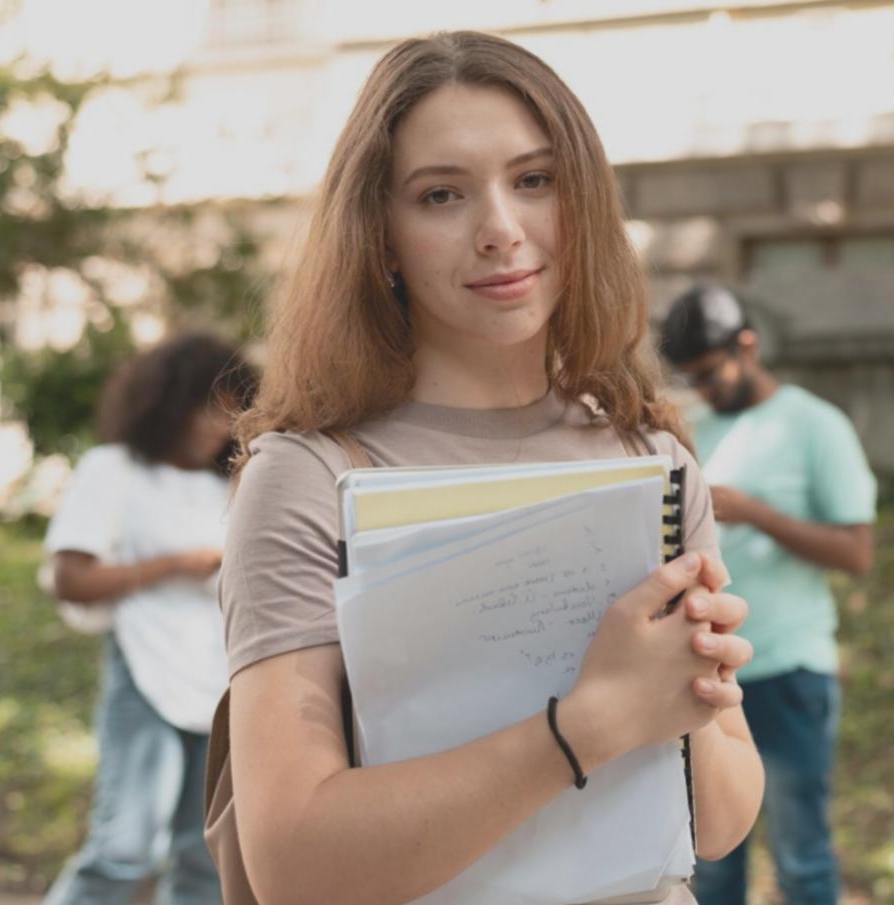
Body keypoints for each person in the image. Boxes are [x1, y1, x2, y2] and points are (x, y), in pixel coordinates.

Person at [218, 31, 763, 905]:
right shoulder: (308, 477)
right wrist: (592, 722)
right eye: (442, 195)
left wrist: (693, 683)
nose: (501, 231)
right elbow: (294, 866)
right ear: (382, 235)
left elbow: (722, 820)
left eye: (535, 180)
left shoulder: (650, 457)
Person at [659, 284, 877, 905]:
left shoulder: (816, 425)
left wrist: (758, 514)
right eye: (689, 379)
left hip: (790, 673)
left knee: (802, 856)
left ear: (747, 346)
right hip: (705, 678)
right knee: (714, 861)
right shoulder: (688, 428)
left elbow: (857, 552)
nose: (701, 390)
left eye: (708, 374)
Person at [42, 332, 256, 905]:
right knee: (124, 849)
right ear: (169, 401)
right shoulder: (114, 469)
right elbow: (71, 579)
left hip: (222, 686)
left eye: (234, 407)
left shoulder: (234, 485)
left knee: (204, 858)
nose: (221, 422)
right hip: (145, 676)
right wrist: (174, 566)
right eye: (209, 405)